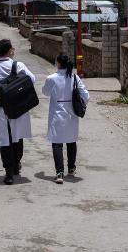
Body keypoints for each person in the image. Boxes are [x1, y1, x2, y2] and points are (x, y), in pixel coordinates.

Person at [0, 38, 36, 185]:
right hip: (18, 107)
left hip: (2, 108)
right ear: (10, 51)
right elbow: (32, 79)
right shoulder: (18, 65)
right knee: (17, 137)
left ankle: (8, 172)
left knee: (5, 140)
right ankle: (15, 165)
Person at [41, 53, 89, 184]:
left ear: (58, 63)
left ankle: (59, 172)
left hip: (57, 113)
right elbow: (86, 95)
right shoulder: (74, 78)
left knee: (57, 143)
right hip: (71, 114)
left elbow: (45, 92)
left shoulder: (51, 78)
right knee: (71, 140)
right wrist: (79, 104)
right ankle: (71, 168)